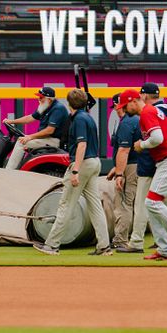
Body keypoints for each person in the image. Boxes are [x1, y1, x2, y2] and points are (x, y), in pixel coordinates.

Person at [117, 89, 167, 261]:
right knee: (151, 203)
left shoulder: (147, 112)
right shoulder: (148, 112)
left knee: (152, 201)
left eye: (125, 106)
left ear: (134, 101)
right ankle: (165, 249)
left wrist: (142, 144)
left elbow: (157, 138)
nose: (125, 110)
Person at [33, 89, 111, 256]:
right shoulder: (87, 117)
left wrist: (75, 170)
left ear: (69, 103)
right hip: (94, 162)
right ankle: (104, 246)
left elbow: (81, 145)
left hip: (82, 163)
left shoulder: (79, 119)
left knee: (66, 204)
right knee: (95, 206)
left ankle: (52, 245)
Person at [3, 87, 67, 170]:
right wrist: (12, 121)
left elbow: (49, 130)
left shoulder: (58, 108)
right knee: (22, 139)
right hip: (47, 139)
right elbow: (30, 118)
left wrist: (30, 137)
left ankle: (9, 171)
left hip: (55, 140)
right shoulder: (45, 106)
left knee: (21, 142)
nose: (38, 99)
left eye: (41, 97)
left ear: (49, 99)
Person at [106, 93, 139, 250]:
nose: (116, 110)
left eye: (117, 107)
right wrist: (116, 168)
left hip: (130, 167)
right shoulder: (134, 120)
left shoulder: (127, 122)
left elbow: (125, 150)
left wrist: (120, 173)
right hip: (133, 165)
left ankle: (120, 240)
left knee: (124, 204)